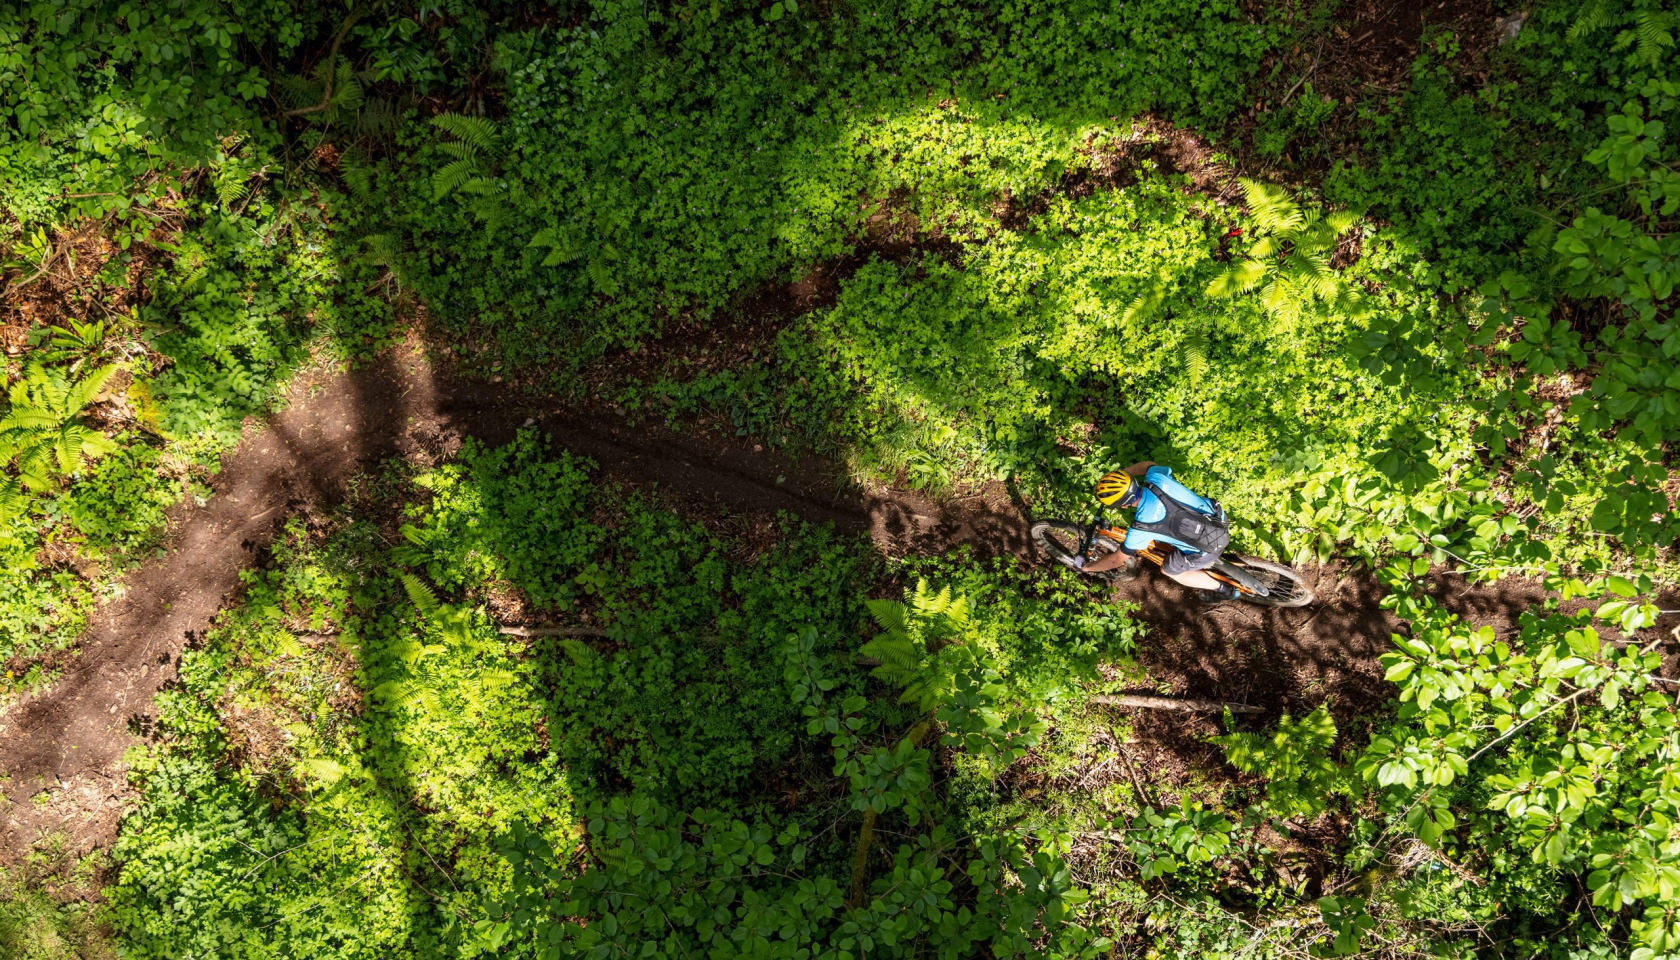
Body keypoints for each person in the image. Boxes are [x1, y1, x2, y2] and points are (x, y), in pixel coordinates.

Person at [1073, 461, 1241, 602]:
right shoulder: (1156, 479)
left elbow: (1116, 561)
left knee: (1169, 570)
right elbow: (1147, 465)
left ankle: (1223, 590)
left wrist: (1087, 568)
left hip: (1209, 546)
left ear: (1123, 505)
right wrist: (1122, 475)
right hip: (1218, 518)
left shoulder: (1143, 526)